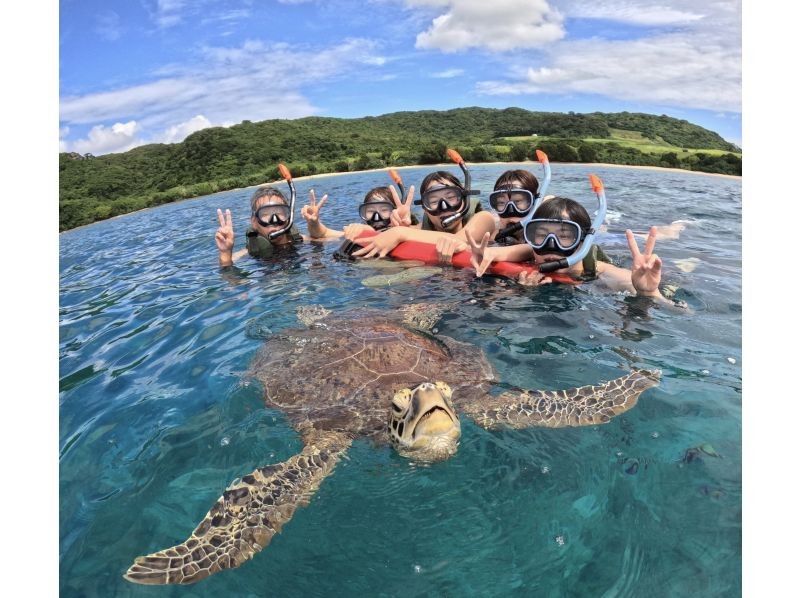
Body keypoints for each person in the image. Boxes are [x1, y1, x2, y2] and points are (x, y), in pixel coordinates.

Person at [465, 196, 681, 306]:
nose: (550, 244)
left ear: (582, 240)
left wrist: (648, 292)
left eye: (565, 236)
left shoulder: (600, 271)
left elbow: (676, 311)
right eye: (541, 235)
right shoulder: (530, 256)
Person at [215, 185, 305, 267]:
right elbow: (228, 273)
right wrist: (225, 252)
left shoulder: (299, 240)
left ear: (288, 217)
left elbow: (318, 239)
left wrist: (314, 224)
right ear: (254, 222)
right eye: (265, 215)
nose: (274, 221)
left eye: (280, 213)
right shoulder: (250, 252)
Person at [301, 185, 419, 241]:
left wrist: (404, 229)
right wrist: (314, 222)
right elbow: (323, 233)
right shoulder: (360, 233)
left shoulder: (415, 230)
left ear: (395, 211)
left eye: (384, 210)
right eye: (370, 211)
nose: (376, 217)